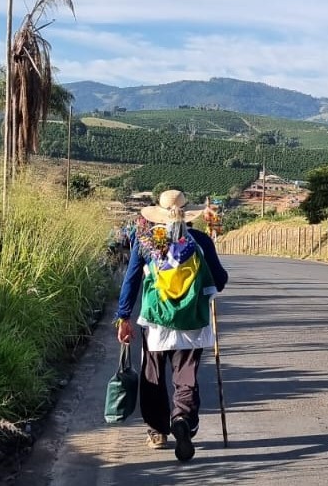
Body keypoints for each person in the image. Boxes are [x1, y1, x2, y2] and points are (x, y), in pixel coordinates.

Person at [114, 190, 228, 462]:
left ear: (159, 215)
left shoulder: (147, 242)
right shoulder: (199, 241)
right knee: (185, 377)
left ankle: (157, 431)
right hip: (193, 321)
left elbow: (131, 281)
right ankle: (182, 419)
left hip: (156, 321)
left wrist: (123, 316)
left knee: (152, 374)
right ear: (188, 214)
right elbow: (220, 280)